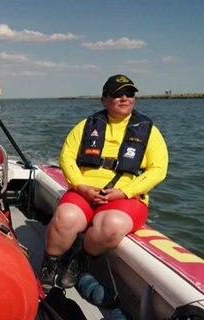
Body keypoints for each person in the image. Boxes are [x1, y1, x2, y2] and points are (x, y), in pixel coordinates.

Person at [40, 74, 169, 293]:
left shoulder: (149, 131)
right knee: (65, 219)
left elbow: (158, 170)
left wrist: (124, 192)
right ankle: (50, 262)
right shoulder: (86, 125)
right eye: (117, 94)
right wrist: (80, 186)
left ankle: (80, 259)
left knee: (111, 226)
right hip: (84, 189)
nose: (124, 98)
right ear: (104, 99)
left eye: (129, 94)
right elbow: (67, 157)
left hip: (125, 196)